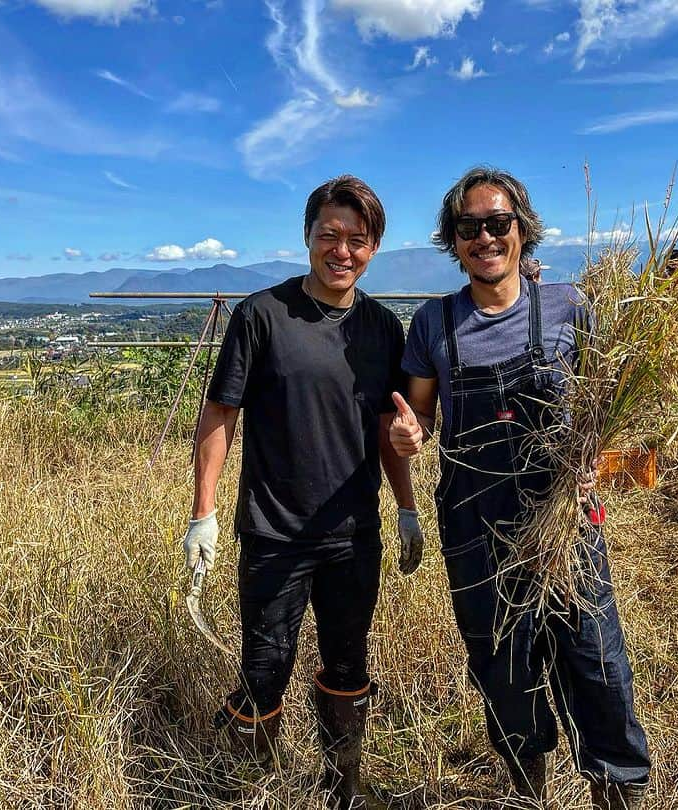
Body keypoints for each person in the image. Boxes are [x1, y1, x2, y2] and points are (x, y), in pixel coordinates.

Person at [389, 167, 651, 809]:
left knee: (596, 662)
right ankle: (531, 794)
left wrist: (596, 460)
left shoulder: (568, 306)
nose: (484, 237)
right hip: (474, 524)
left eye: (497, 223)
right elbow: (417, 413)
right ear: (452, 241)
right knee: (503, 669)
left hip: (563, 520)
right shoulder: (433, 324)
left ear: (522, 230)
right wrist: (409, 435)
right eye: (468, 227)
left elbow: (605, 408)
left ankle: (615, 793)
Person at [182, 175, 423, 809]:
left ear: (374, 249)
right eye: (330, 236)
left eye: (358, 240)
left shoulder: (380, 329)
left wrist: (404, 507)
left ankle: (341, 784)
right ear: (308, 238)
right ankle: (249, 787)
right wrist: (202, 514)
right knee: (264, 671)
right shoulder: (262, 315)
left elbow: (386, 428)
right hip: (274, 533)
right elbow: (219, 416)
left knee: (348, 664)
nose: (342, 251)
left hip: (352, 536)